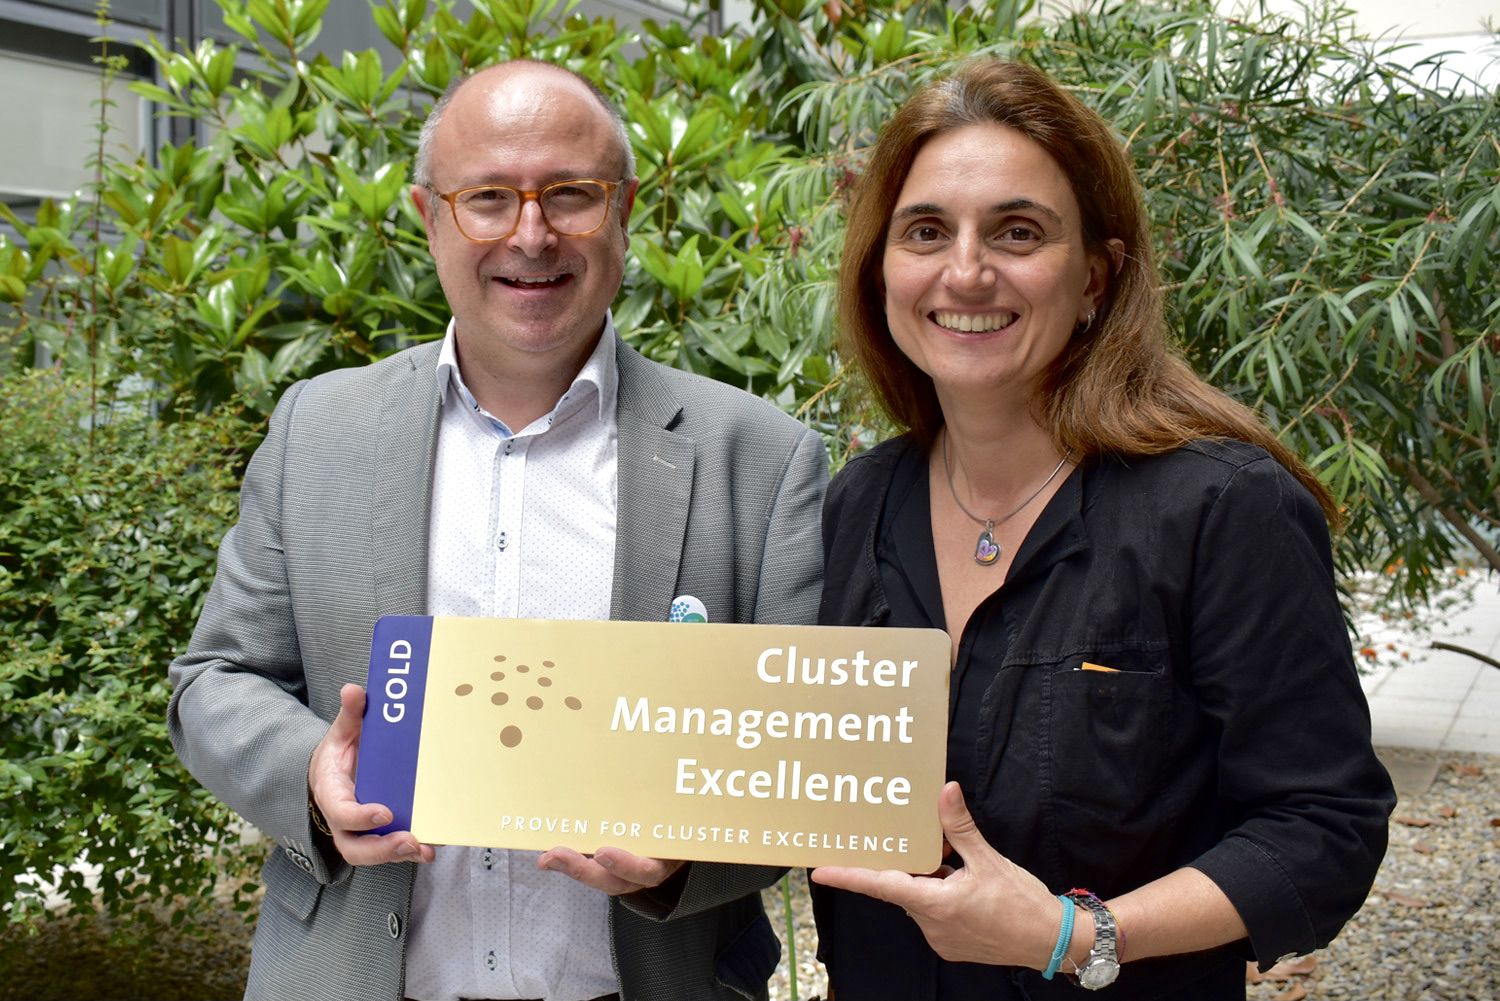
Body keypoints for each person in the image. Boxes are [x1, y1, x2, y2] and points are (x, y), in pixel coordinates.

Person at [168, 60, 828, 1001]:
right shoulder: (317, 427)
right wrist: (311, 772)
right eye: (487, 198)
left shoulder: (759, 459)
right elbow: (215, 681)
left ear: (626, 209)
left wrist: (685, 857)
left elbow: (797, 760)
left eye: (572, 195)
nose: (532, 233)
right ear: (429, 214)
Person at [808, 59, 1394, 1000]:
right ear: (881, 265)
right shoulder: (859, 502)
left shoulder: (1222, 507)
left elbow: (1324, 823)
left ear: (1094, 276)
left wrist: (1074, 934)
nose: (966, 270)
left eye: (1017, 231)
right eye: (926, 230)